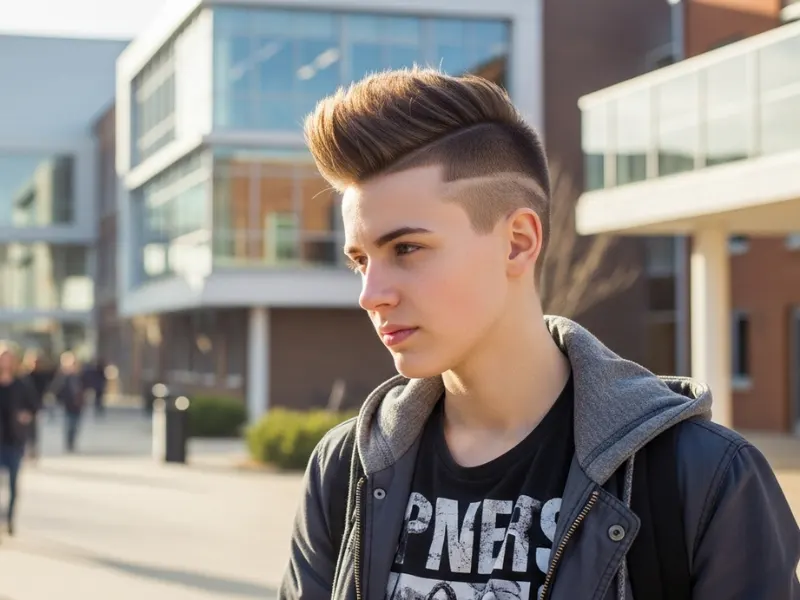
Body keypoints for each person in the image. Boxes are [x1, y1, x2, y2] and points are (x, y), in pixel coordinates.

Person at [279, 68, 800, 600]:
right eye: (360, 260)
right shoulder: (347, 469)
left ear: (519, 242)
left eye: (406, 249)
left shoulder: (703, 477)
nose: (371, 293)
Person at [0, 343, 37, 537]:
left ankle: (9, 519)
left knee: (13, 485)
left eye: (8, 358)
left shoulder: (22, 384)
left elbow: (34, 407)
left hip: (15, 441)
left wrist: (26, 416)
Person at [20, 349, 53, 461]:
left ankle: (33, 450)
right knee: (24, 430)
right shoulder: (24, 376)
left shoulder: (42, 375)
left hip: (35, 406)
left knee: (34, 430)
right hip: (24, 407)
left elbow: (44, 390)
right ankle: (25, 450)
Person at [49, 352, 84, 453]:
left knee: (76, 424)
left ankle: (72, 441)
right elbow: (56, 388)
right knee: (69, 423)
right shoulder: (62, 375)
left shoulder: (79, 375)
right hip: (68, 404)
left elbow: (85, 386)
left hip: (78, 404)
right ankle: (69, 442)